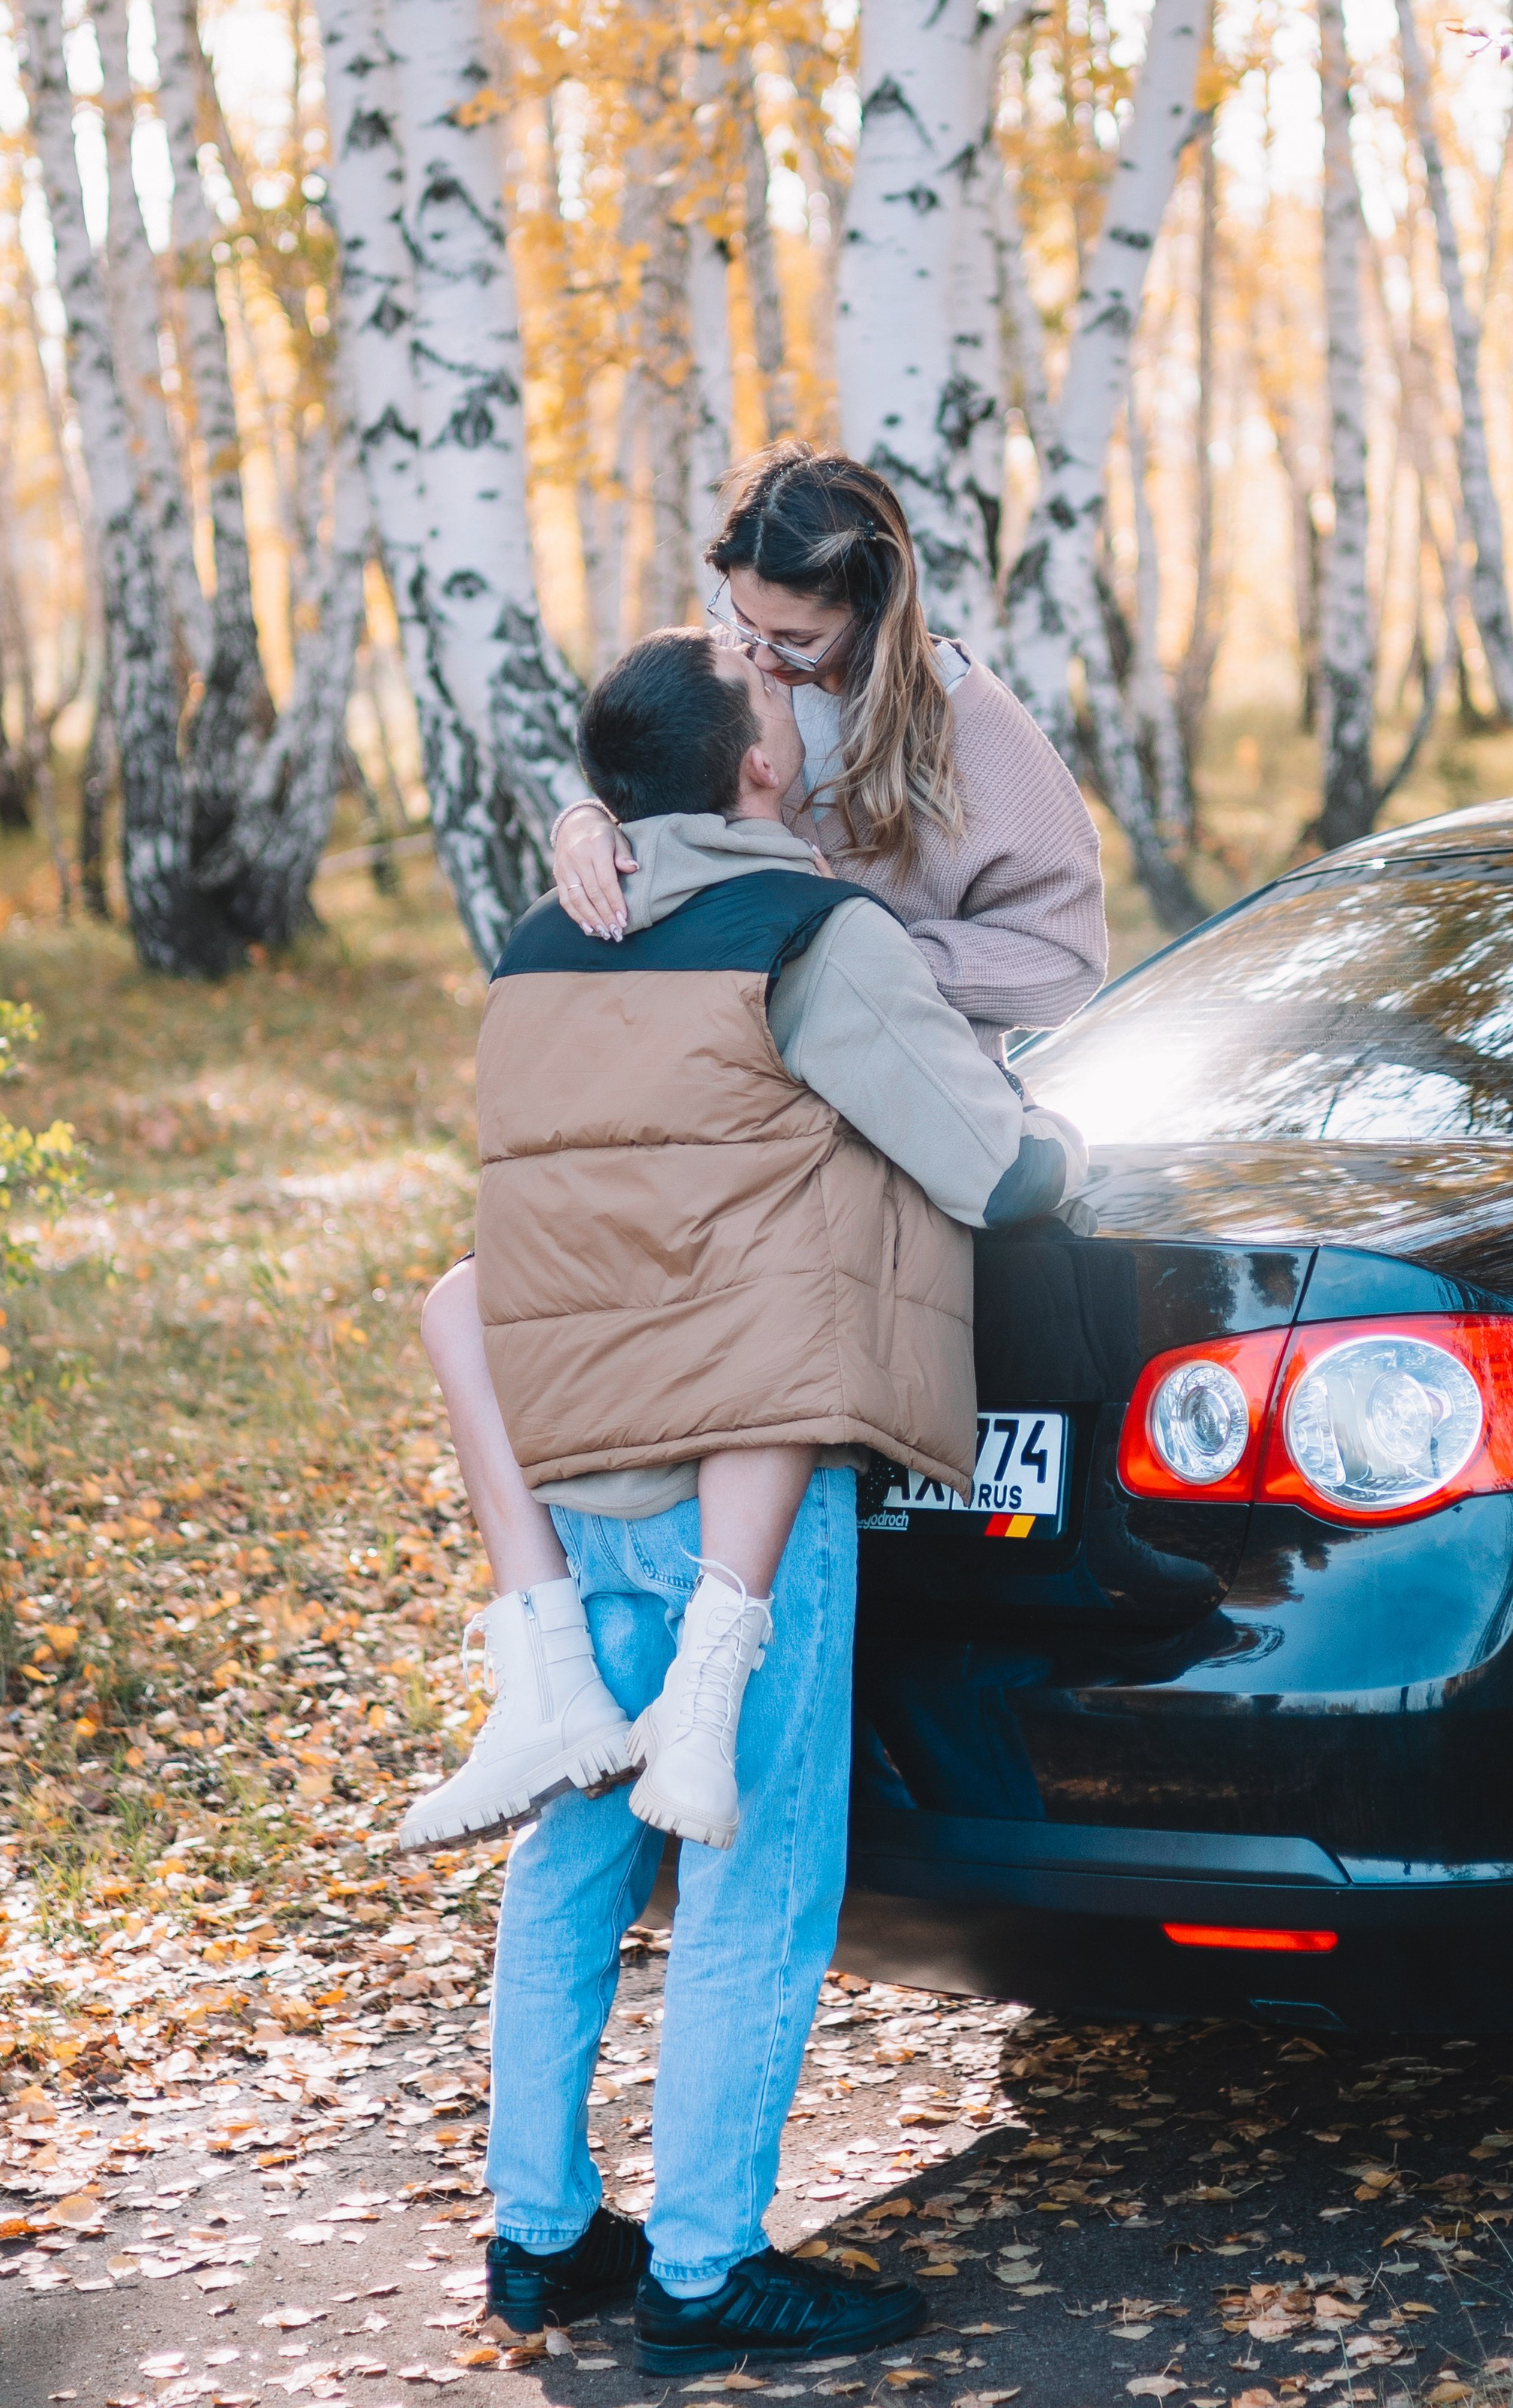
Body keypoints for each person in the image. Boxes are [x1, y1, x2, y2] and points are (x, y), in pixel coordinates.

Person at [463, 625, 1082, 2371]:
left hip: (564, 1448)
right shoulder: (810, 935)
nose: (800, 719)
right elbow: (991, 1161)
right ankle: (705, 2266)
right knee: (751, 1860)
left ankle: (536, 2233)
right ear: (750, 769)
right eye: (777, 708)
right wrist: (1066, 1144)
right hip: (740, 1460)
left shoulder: (535, 944)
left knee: (580, 1842)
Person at [401, 444, 1106, 1854]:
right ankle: (543, 1671)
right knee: (472, 1298)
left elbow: (1066, 962)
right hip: (732, 1087)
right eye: (739, 631)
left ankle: (704, 1699)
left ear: (874, 605)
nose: (762, 664)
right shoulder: (736, 678)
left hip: (880, 1096)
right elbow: (663, 764)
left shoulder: (977, 735)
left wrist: (865, 962)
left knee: (745, 1311)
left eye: (794, 640)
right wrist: (586, 819)